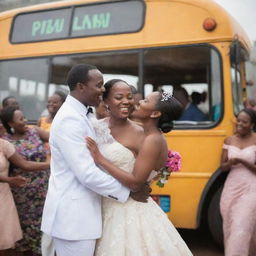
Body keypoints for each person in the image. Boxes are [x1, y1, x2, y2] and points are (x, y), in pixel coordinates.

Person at [41, 64, 150, 256]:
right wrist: (129, 192)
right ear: (81, 87)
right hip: (74, 219)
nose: (102, 89)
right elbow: (87, 174)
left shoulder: (83, 114)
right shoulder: (69, 120)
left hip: (88, 215)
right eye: (99, 85)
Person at [86, 79, 193, 255]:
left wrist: (100, 158)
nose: (137, 101)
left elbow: (136, 182)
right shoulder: (149, 135)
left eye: (144, 101)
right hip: (107, 204)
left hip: (127, 210)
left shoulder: (152, 139)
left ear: (155, 113)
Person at [0, 106, 50, 256]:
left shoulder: (35, 131)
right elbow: (23, 165)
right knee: (20, 227)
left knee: (42, 224)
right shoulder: (6, 142)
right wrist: (51, 164)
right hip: (20, 191)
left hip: (42, 188)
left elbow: (59, 140)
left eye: (24, 117)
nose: (26, 121)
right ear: (10, 124)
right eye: (21, 119)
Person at [220, 108, 256, 256]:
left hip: (250, 187)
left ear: (252, 124)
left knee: (242, 225)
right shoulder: (229, 140)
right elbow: (222, 167)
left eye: (244, 122)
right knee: (230, 225)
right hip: (231, 187)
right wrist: (230, 163)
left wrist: (242, 160)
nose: (240, 124)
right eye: (238, 120)